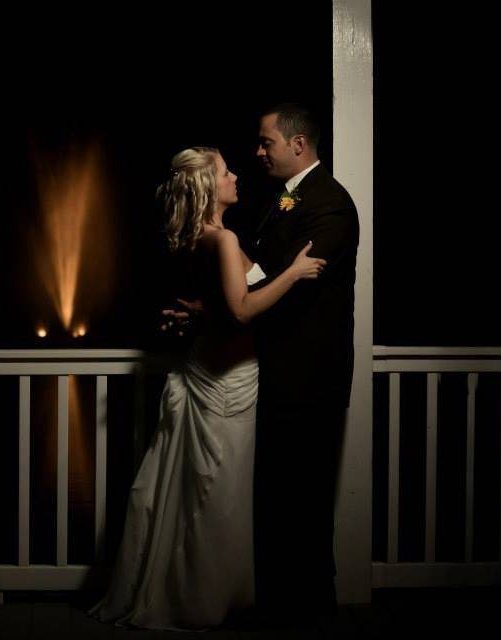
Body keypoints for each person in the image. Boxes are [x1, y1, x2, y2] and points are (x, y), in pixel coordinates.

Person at [89, 146, 326, 631]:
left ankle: (196, 592)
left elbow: (231, 297)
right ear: (207, 187)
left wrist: (199, 313)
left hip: (213, 371)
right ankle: (199, 600)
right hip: (225, 381)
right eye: (225, 172)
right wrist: (296, 274)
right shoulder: (221, 239)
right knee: (218, 499)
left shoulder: (205, 236)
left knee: (205, 493)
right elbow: (241, 310)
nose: (236, 175)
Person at [166, 104, 359, 623]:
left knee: (304, 498)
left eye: (265, 142)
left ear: (297, 145)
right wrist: (215, 312)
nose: (255, 154)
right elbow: (250, 290)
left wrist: (219, 313)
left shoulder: (331, 207)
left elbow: (281, 297)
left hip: (307, 378)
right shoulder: (277, 203)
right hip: (258, 373)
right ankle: (258, 599)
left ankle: (311, 610)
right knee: (257, 496)